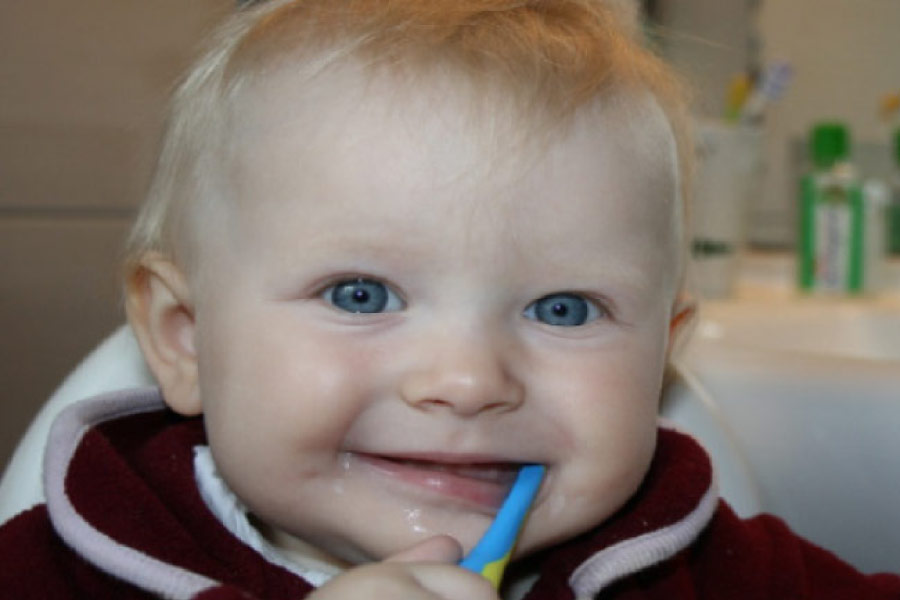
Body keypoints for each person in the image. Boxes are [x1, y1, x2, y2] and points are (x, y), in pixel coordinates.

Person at [1, 1, 898, 598]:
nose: (468, 382)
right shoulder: (61, 571)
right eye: (361, 293)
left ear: (661, 350)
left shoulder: (710, 568)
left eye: (563, 310)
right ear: (185, 338)